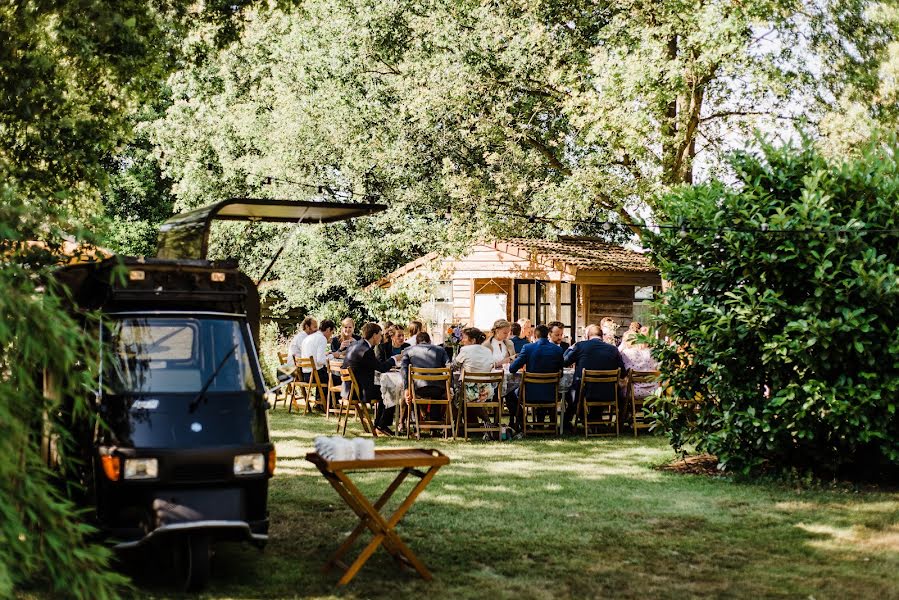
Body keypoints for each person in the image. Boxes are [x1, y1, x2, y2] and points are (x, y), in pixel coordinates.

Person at [563, 323, 626, 432]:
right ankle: (594, 421)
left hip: (584, 392)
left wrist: (570, 348)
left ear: (587, 336)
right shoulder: (613, 349)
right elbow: (623, 372)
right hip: (609, 392)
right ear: (601, 336)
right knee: (600, 388)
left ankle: (572, 422)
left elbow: (565, 361)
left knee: (572, 392)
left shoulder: (580, 346)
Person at [343, 322, 402, 436]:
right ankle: (381, 425)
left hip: (348, 388)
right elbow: (381, 368)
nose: (381, 338)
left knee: (384, 388)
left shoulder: (356, 345)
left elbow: (373, 366)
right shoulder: (366, 350)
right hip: (358, 391)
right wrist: (394, 358)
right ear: (374, 335)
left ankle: (379, 424)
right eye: (380, 335)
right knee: (391, 389)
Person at [507, 324, 564, 430]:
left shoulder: (528, 348)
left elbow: (512, 369)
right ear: (547, 335)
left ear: (535, 336)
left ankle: (522, 422)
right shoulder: (558, 350)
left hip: (530, 394)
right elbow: (561, 373)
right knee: (543, 390)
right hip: (551, 393)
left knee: (509, 394)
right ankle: (543, 424)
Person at [401, 332, 452, 424]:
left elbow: (404, 370)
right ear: (429, 341)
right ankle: (434, 424)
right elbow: (449, 367)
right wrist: (450, 386)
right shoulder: (441, 350)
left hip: (418, 389)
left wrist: (406, 389)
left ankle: (414, 424)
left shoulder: (408, 350)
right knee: (437, 394)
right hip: (439, 389)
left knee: (410, 395)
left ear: (416, 342)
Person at [451, 327, 496, 429]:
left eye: (465, 338)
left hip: (469, 393)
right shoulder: (488, 351)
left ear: (473, 340)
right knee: (462, 392)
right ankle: (477, 422)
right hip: (487, 392)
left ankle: (455, 427)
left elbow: (454, 366)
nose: (462, 340)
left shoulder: (465, 350)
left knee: (453, 395)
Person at [620, 325, 660, 400]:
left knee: (618, 388)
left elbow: (622, 371)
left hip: (634, 392)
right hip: (654, 392)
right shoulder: (654, 353)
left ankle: (624, 410)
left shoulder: (625, 353)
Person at [300, 319, 336, 385]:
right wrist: (333, 355)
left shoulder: (308, 337)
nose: (331, 335)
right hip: (314, 376)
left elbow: (314, 356)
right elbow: (320, 361)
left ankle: (320, 395)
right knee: (339, 380)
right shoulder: (322, 338)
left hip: (305, 375)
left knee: (327, 374)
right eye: (332, 332)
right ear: (328, 329)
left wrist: (326, 355)